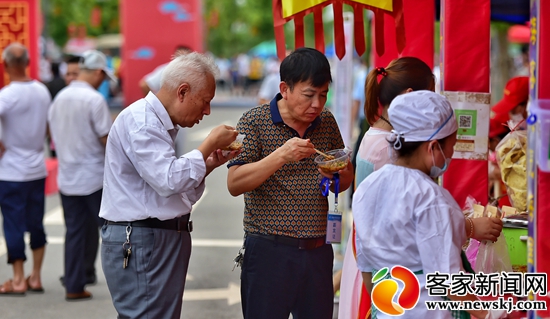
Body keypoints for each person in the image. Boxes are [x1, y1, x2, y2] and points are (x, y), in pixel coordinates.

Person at [339, 57, 503, 319]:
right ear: (432, 147)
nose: (451, 152)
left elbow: (368, 267)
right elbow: (449, 279)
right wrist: (489, 314)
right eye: (451, 145)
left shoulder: (368, 188)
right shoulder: (432, 198)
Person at [99, 52, 239, 318]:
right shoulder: (142, 121)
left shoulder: (154, 121)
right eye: (205, 101)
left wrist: (207, 164)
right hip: (143, 237)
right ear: (183, 92)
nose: (207, 111)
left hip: (151, 237)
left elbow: (171, 188)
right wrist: (208, 143)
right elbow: (167, 180)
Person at [227, 47, 354, 319]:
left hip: (318, 252)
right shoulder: (255, 121)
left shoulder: (326, 122)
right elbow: (235, 182)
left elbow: (345, 177)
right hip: (268, 253)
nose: (317, 104)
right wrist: (281, 155)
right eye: (309, 95)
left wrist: (333, 175)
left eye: (323, 95)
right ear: (285, 88)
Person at [48, 50, 115, 301]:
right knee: (110, 231)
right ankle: (124, 283)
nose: (103, 82)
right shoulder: (94, 100)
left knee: (74, 232)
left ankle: (74, 284)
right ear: (98, 72)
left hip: (67, 177)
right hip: (94, 177)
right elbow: (106, 139)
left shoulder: (59, 98)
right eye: (103, 77)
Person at [0, 43, 51, 295]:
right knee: (36, 223)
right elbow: (49, 127)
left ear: (6, 64)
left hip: (10, 171)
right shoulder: (42, 91)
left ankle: (18, 279)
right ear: (29, 62)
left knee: (13, 224)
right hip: (36, 168)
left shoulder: (6, 95)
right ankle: (37, 276)